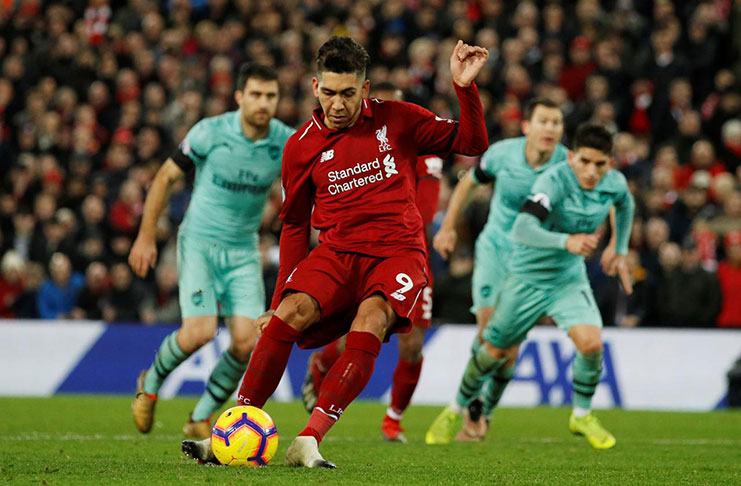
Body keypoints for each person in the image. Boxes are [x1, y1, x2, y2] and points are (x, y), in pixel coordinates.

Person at [182, 36, 489, 468]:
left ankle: (309, 438)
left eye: (348, 93)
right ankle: (229, 430)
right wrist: (278, 300)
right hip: (338, 250)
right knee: (287, 318)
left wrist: (464, 89)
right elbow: (293, 224)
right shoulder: (300, 146)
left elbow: (472, 144)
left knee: (371, 321)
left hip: (397, 252)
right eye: (329, 92)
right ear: (314, 87)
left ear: (365, 90)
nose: (338, 104)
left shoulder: (397, 119)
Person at [426, 123, 634, 450]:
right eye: (585, 162)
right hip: (527, 277)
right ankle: (456, 409)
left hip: (567, 278)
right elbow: (523, 228)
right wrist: (567, 241)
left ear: (610, 163)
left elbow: (625, 203)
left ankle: (581, 414)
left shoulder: (614, 183)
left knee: (592, 342)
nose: (592, 171)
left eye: (600, 164)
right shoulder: (552, 181)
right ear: (571, 157)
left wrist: (619, 247)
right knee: (494, 351)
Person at [129, 63, 294, 439]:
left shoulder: (285, 142)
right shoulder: (211, 132)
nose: (263, 103)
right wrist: (145, 236)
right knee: (199, 332)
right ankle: (150, 381)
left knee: (247, 340)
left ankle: (200, 416)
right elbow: (166, 177)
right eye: (255, 94)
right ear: (239, 97)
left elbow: (293, 191)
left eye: (270, 96)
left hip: (243, 250)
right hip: (201, 243)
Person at [299, 81, 443, 444]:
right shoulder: (358, 146)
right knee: (361, 331)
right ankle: (320, 363)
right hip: (363, 251)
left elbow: (425, 211)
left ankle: (393, 420)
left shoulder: (426, 152)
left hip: (408, 252)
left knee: (412, 343)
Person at [432, 97, 569, 440]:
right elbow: (468, 182)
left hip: (531, 261)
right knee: (488, 333)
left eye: (556, 122)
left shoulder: (568, 165)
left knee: (509, 346)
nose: (550, 128)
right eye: (543, 121)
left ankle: (485, 410)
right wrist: (448, 225)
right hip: (495, 250)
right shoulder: (503, 154)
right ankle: (473, 407)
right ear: (527, 127)